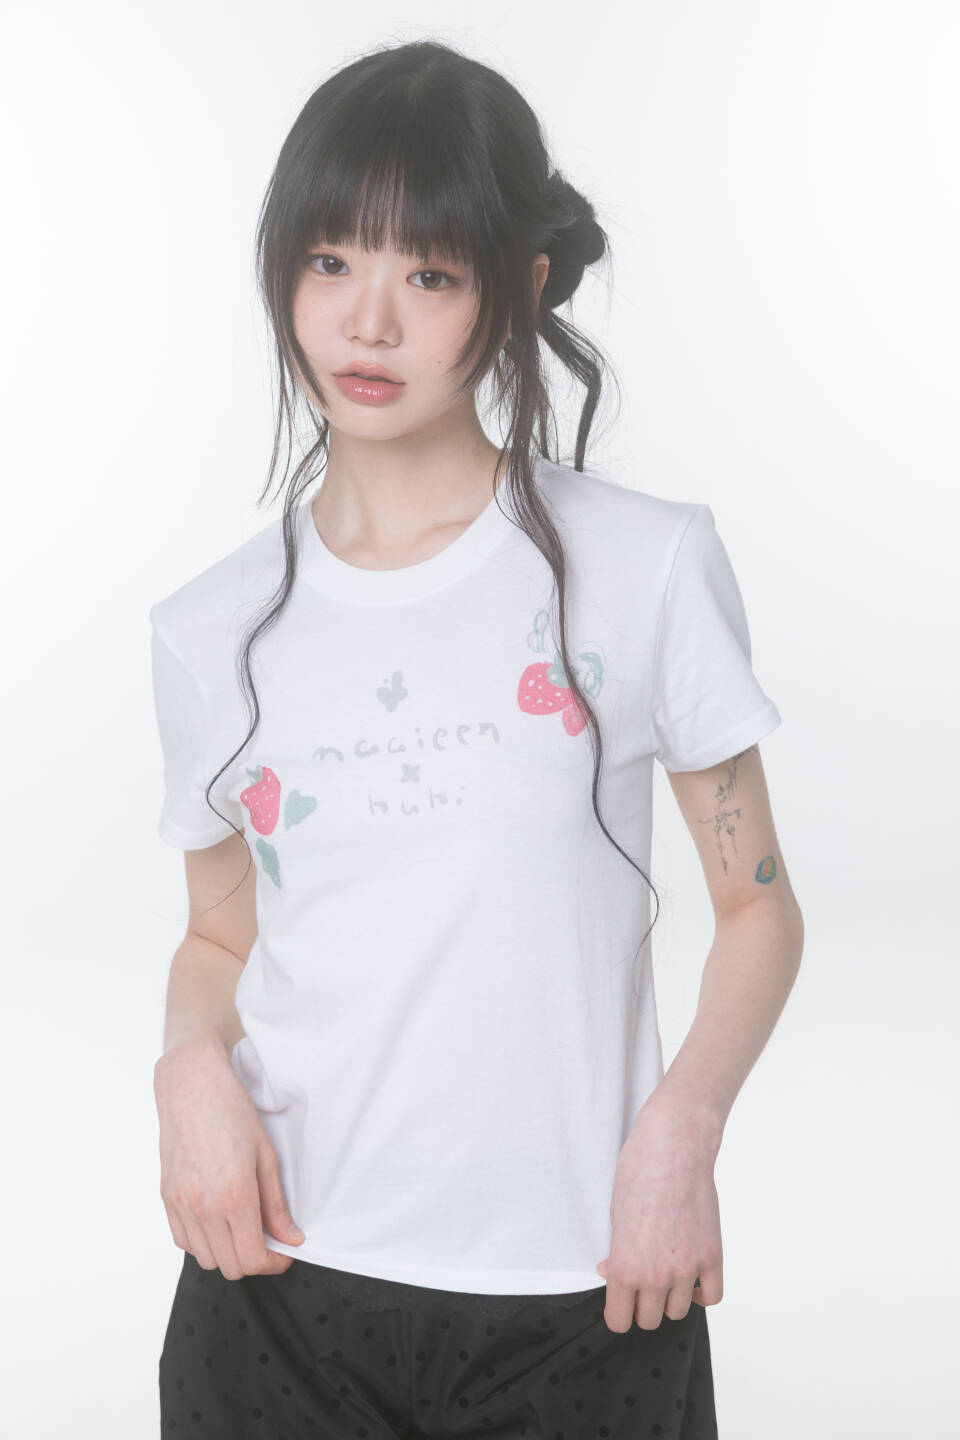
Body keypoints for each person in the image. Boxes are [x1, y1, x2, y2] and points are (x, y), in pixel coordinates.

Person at [149, 37, 803, 1440]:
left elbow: (757, 908)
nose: (368, 322)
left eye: (431, 275)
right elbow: (217, 938)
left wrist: (683, 1131)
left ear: (519, 287)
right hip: (271, 1293)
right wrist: (186, 1070)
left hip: (581, 1295)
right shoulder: (211, 629)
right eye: (330, 261)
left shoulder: (645, 567)